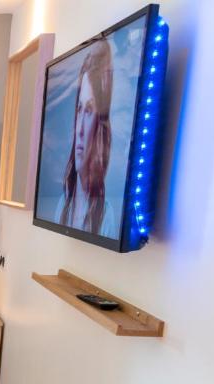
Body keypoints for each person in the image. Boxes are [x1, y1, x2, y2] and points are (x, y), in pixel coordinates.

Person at [56, 39, 118, 237]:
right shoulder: (63, 205)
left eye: (89, 110)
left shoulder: (106, 217)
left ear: (100, 125)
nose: (80, 129)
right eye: (80, 109)